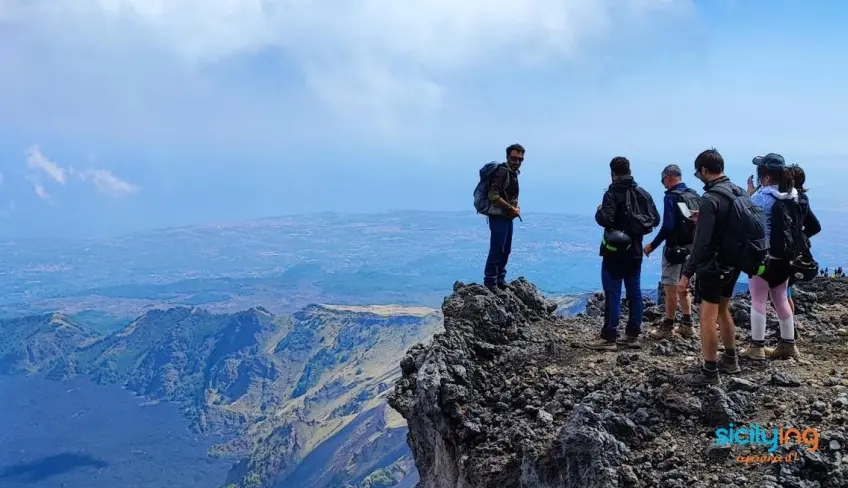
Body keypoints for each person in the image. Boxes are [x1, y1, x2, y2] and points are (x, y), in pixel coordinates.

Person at [679, 148, 747, 386]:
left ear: (705, 171)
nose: (699, 175)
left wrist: (687, 273)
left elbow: (701, 241)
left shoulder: (710, 198)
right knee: (723, 309)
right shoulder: (738, 192)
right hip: (734, 262)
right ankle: (731, 359)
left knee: (706, 317)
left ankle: (710, 370)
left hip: (713, 265)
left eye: (699, 172)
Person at [587, 156, 660, 351]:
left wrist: (599, 211)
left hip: (614, 251)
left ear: (612, 173)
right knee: (634, 292)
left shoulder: (612, 193)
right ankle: (632, 335)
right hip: (635, 250)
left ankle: (609, 336)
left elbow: (607, 219)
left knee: (613, 293)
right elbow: (656, 219)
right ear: (629, 170)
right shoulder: (642, 193)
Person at [740, 153, 800, 361]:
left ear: (765, 177)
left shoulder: (760, 198)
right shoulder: (792, 195)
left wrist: (748, 195)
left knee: (758, 300)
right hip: (785, 258)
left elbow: (746, 221)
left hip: (763, 258)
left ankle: (756, 346)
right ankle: (788, 345)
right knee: (781, 297)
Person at [644, 164, 698, 339]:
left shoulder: (671, 197)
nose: (662, 184)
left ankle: (668, 326)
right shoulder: (692, 195)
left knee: (670, 287)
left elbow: (667, 226)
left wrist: (653, 245)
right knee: (684, 286)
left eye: (663, 180)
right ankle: (688, 325)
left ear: (668, 177)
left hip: (674, 249)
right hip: (691, 248)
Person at [482, 144, 524, 290]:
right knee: (497, 249)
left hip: (507, 217)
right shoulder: (502, 172)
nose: (517, 162)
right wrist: (510, 208)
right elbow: (492, 195)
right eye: (514, 158)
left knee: (506, 249)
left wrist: (514, 208)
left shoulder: (513, 173)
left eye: (520, 159)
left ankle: (500, 279)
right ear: (507, 157)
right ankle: (490, 282)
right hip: (498, 217)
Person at [786, 163, 821, 314]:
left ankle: (787, 331)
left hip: (784, 250)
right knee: (785, 292)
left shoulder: (787, 200)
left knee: (780, 293)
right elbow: (815, 226)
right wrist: (802, 237)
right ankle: (789, 328)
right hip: (797, 251)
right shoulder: (803, 199)